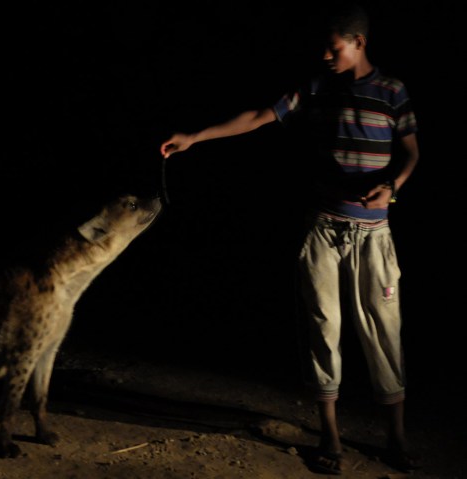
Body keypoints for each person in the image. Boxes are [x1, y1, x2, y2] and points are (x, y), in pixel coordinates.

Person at [159, 3, 420, 475]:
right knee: (324, 329)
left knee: (384, 332)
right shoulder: (318, 88)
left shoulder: (392, 91)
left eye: (333, 46)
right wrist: (196, 137)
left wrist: (394, 186)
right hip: (323, 228)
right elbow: (259, 115)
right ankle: (331, 438)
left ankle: (396, 439)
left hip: (374, 234)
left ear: (358, 42)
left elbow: (411, 153)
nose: (324, 54)